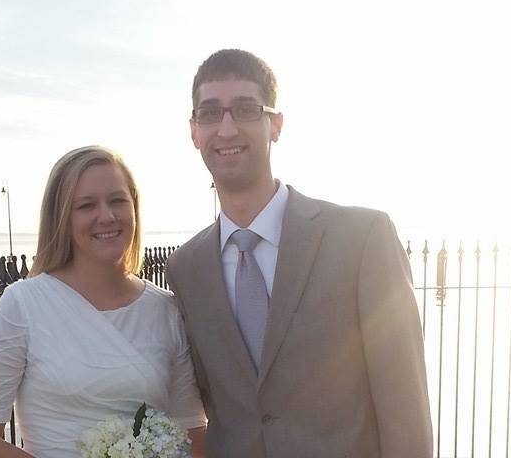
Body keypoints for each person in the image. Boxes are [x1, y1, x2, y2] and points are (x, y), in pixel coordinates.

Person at [165, 49, 433, 457]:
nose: (227, 128)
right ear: (193, 131)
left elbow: (405, 408)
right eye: (210, 113)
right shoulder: (186, 268)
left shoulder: (362, 239)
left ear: (275, 125)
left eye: (246, 109)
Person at [0, 146, 206, 457]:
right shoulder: (22, 305)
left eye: (117, 200)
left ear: (134, 207)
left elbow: (193, 432)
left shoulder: (166, 310)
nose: (106, 216)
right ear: (62, 217)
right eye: (86, 206)